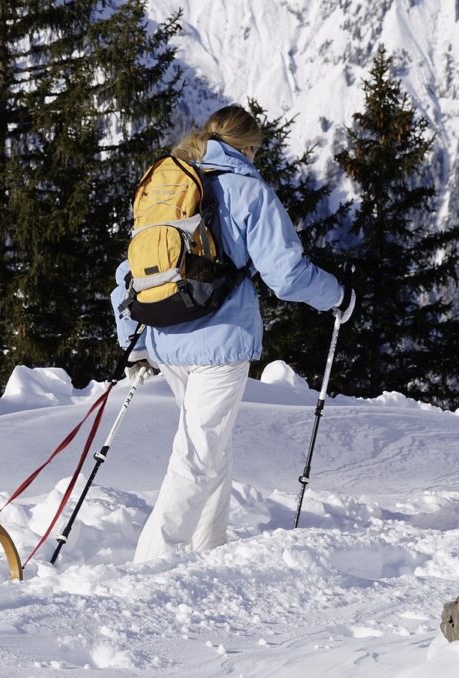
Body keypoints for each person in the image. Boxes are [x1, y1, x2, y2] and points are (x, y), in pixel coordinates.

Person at [111, 105, 355, 563]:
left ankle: (209, 549)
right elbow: (287, 277)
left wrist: (136, 342)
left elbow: (131, 270)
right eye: (256, 150)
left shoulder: (172, 183)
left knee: (209, 446)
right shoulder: (248, 190)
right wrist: (339, 297)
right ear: (246, 147)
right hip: (220, 343)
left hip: (167, 336)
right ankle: (150, 563)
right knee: (198, 455)